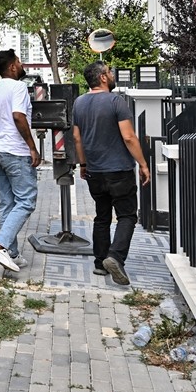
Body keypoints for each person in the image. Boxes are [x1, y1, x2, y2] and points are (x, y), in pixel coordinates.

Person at [71, 61, 151, 286]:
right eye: (109, 71)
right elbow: (129, 137)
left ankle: (100, 263)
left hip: (94, 171)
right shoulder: (116, 101)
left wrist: (83, 164)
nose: (113, 74)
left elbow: (77, 138)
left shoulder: (79, 103)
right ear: (103, 77)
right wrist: (143, 164)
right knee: (127, 216)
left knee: (102, 216)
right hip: (119, 171)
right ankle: (115, 256)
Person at [0, 49, 41, 272]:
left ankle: (12, 254)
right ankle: (0, 246)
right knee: (26, 201)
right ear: (13, 66)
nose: (22, 65)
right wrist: (32, 147)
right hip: (15, 152)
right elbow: (18, 116)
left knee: (7, 203)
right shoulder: (18, 87)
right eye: (19, 61)